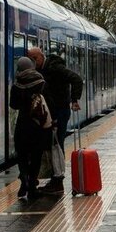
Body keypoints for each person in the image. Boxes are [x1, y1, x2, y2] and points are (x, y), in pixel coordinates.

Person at [29, 46, 83, 195]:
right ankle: (54, 178)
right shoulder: (40, 70)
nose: (33, 62)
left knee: (56, 144)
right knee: (51, 144)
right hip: (51, 112)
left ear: (41, 56)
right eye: (30, 59)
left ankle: (57, 181)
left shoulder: (55, 68)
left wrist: (74, 100)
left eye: (35, 58)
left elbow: (77, 79)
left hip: (59, 112)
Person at [9, 56, 49, 200]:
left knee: (22, 155)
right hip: (37, 125)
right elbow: (46, 102)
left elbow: (13, 105)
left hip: (22, 124)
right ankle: (32, 187)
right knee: (36, 156)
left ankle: (24, 179)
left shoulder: (16, 85)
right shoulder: (40, 82)